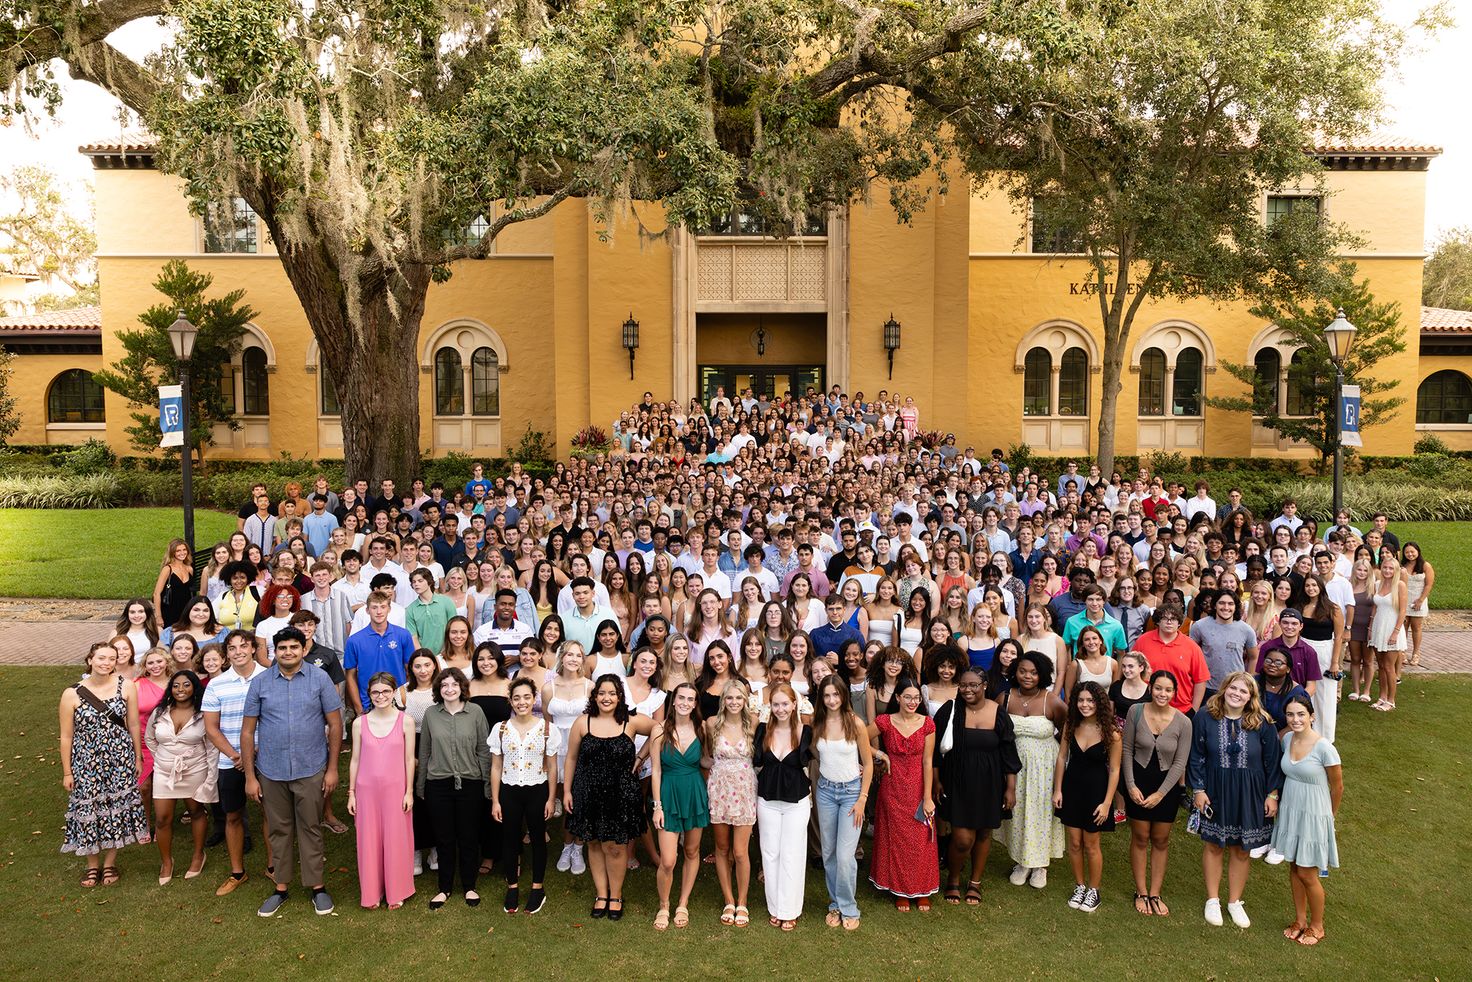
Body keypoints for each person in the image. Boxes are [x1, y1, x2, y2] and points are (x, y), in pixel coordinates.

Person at [241, 626, 344, 917]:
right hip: (271, 771)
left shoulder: (319, 678)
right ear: (275, 651)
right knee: (279, 830)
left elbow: (335, 724)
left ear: (303, 650)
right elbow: (248, 732)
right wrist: (250, 777)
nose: (288, 653)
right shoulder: (261, 683)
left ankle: (318, 888)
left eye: (293, 648)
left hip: (310, 768)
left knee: (310, 828)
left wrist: (333, 769)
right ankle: (281, 888)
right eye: (282, 648)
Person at [1188, 672, 1282, 928]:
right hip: (1215, 790)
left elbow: (1273, 762)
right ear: (1224, 688)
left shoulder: (1263, 722)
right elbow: (1195, 756)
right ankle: (1212, 899)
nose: (1237, 694)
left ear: (1251, 697)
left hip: (1250, 792)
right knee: (1214, 845)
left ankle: (1234, 901)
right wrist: (1198, 789)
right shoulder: (1205, 717)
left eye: (1244, 691)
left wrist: (1272, 794)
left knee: (1242, 849)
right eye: (1234, 688)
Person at [563, 675, 657, 921]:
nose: (607, 698)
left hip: (620, 793)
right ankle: (601, 894)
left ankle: (615, 895)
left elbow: (660, 728)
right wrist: (566, 791)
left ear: (619, 697)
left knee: (615, 847)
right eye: (602, 693)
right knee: (593, 842)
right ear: (594, 696)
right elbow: (571, 758)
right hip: (588, 792)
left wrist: (641, 757)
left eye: (612, 693)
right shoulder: (583, 723)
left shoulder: (631, 721)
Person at [60, 641, 151, 886]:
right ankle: (92, 865)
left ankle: (109, 864)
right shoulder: (72, 693)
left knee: (116, 808)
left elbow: (133, 724)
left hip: (120, 759)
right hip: (86, 762)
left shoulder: (127, 686)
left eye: (112, 658)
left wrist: (137, 756)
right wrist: (68, 771)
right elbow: (67, 735)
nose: (107, 663)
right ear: (90, 660)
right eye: (101, 658)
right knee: (89, 810)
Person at [933, 669, 1019, 906]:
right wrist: (936, 780)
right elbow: (935, 750)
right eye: (963, 685)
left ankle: (975, 882)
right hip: (958, 781)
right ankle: (953, 876)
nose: (967, 690)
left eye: (973, 685)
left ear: (984, 685)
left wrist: (1010, 788)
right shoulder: (949, 711)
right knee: (962, 838)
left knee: (983, 833)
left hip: (990, 783)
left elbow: (1008, 753)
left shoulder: (998, 712)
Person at [417, 667, 491, 909]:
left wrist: (487, 784)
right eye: (444, 685)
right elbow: (425, 751)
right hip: (438, 784)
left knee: (469, 837)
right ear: (439, 689)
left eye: (454, 685)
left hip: (470, 783)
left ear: (462, 687)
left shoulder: (476, 712)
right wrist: (421, 786)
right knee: (444, 839)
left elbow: (483, 750)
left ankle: (469, 886)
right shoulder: (431, 714)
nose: (449, 689)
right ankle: (444, 888)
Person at [1272, 695, 1343, 947]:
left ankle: (1317, 925)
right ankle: (1300, 920)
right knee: (1293, 866)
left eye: (1301, 714)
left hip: (1314, 814)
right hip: (1292, 810)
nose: (1295, 719)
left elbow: (1338, 787)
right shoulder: (1287, 739)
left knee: (1307, 872)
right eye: (1290, 715)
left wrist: (1328, 818)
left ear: (1312, 716)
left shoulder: (1325, 747)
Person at [202, 629, 268, 895]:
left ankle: (273, 867)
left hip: (266, 758)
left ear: (253, 648)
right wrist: (236, 755)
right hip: (231, 761)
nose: (238, 651)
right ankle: (237, 872)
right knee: (232, 815)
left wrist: (256, 753)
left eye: (243, 646)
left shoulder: (268, 677)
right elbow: (212, 728)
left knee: (270, 814)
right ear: (226, 654)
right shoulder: (217, 684)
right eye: (232, 648)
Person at [1121, 670, 1191, 917]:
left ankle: (1155, 893)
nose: (1163, 693)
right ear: (1151, 688)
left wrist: (1161, 794)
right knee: (1140, 837)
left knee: (1160, 840)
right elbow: (1126, 749)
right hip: (1138, 781)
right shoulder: (1135, 712)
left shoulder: (1184, 722)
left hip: (1166, 788)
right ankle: (1140, 892)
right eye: (1158, 688)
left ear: (1175, 692)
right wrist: (1130, 785)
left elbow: (1180, 763)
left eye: (1168, 690)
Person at [489, 676, 560, 915]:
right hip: (509, 790)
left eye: (527, 697)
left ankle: (537, 888)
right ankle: (512, 886)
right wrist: (496, 800)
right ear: (510, 700)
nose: (522, 702)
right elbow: (496, 766)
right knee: (509, 838)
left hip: (537, 790)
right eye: (517, 698)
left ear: (534, 699)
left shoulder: (547, 729)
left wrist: (551, 798)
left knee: (538, 838)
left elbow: (552, 767)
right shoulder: (500, 729)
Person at [996, 651, 1067, 888]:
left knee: (1040, 812)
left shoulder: (1052, 700)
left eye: (1034, 672)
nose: (1028, 676)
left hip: (1044, 767)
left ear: (1042, 675)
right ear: (1015, 671)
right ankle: (1022, 861)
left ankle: (1040, 866)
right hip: (1013, 766)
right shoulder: (1004, 698)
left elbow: (1065, 732)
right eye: (1023, 671)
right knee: (1018, 812)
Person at [867, 677, 938, 910]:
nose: (912, 701)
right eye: (907, 697)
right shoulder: (885, 721)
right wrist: (880, 755)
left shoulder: (927, 724)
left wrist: (927, 797)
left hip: (918, 786)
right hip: (893, 786)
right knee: (896, 839)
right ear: (897, 697)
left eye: (916, 698)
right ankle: (901, 890)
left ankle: (921, 888)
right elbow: (858, 738)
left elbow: (928, 761)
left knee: (920, 839)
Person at [347, 671, 416, 910]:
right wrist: (352, 793)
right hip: (366, 791)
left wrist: (408, 792)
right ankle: (372, 892)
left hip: (395, 789)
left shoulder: (405, 721)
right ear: (369, 695)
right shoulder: (359, 723)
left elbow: (409, 760)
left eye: (386, 691)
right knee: (368, 840)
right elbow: (355, 759)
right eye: (375, 692)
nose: (381, 696)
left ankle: (397, 889)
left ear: (394, 692)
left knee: (396, 838)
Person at [810, 676, 874, 929]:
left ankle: (849, 907)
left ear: (843, 695)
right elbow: (816, 752)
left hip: (851, 794)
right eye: (826, 695)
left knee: (846, 856)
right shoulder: (817, 723)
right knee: (829, 854)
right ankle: (835, 904)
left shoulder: (855, 723)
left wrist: (862, 799)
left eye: (836, 694)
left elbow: (868, 763)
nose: (832, 700)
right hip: (825, 791)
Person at [1052, 681, 1120, 913]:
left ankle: (1094, 890)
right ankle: (1079, 886)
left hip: (1097, 794)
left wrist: (1107, 803)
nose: (1085, 704)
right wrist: (1057, 789)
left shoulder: (1112, 733)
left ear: (1099, 702)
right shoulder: (1071, 724)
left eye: (1090, 700)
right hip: (1071, 789)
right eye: (1081, 700)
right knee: (1074, 842)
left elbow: (1114, 770)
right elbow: (1062, 757)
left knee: (1091, 844)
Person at [145, 669, 217, 884]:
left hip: (195, 769)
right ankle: (166, 862)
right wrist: (163, 759)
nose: (180, 690)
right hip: (165, 773)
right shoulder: (159, 713)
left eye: (186, 685)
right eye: (176, 685)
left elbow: (212, 747)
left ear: (195, 687)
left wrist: (210, 776)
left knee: (196, 811)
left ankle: (198, 855)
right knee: (162, 818)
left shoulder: (203, 713)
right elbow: (150, 738)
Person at [753, 682, 815, 929]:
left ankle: (790, 909)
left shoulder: (803, 731)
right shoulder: (762, 730)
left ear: (794, 705)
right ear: (770, 706)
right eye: (775, 704)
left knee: (792, 853)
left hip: (796, 801)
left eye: (785, 704)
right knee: (770, 853)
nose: (780, 709)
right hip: (767, 799)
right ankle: (775, 906)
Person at [650, 681, 709, 930]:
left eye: (690, 699)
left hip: (695, 792)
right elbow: (655, 771)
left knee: (692, 852)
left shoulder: (702, 728)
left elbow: (705, 760)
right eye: (681, 698)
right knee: (668, 860)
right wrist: (657, 806)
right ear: (673, 701)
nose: (685, 703)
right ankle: (664, 905)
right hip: (669, 793)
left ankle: (682, 902)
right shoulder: (659, 730)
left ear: (695, 704)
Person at [705, 678, 758, 927]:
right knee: (722, 849)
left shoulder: (753, 724)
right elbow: (706, 757)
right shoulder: (712, 723)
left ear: (745, 700)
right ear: (723, 700)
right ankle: (728, 900)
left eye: (739, 698)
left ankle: (743, 901)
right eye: (730, 698)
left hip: (745, 790)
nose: (734, 702)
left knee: (740, 851)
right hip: (720, 790)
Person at [344, 589, 416, 713]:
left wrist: (407, 699)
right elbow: (350, 676)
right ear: (367, 610)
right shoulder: (354, 641)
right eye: (374, 607)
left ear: (389, 609)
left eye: (383, 607)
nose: (379, 611)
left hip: (398, 703)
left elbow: (410, 670)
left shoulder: (403, 635)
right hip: (368, 704)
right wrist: (359, 709)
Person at [1368, 554, 1408, 712]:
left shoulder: (1400, 585)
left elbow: (1403, 610)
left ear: (1396, 570)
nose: (1387, 570)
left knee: (1390, 667)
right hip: (1378, 627)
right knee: (1382, 666)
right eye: (1385, 567)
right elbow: (1375, 607)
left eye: (1391, 568)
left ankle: (1391, 700)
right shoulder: (1377, 584)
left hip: (1393, 628)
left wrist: (1395, 632)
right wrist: (1370, 628)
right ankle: (1382, 696)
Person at [1400, 542, 1433, 668]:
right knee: (1403, 626)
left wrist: (1420, 600)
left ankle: (1416, 653)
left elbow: (1429, 584)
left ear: (1418, 551)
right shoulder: (1402, 565)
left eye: (1412, 551)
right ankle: (1402, 651)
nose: (1410, 554)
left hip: (1419, 599)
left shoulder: (1425, 566)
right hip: (1405, 599)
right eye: (1407, 552)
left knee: (1416, 627)